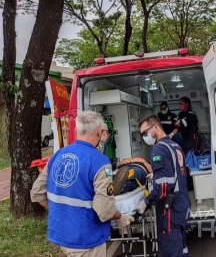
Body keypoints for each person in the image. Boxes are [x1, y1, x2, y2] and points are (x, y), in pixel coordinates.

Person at [30, 110, 134, 256]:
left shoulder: (57, 156)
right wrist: (119, 217)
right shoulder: (100, 162)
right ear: (99, 131)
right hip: (86, 240)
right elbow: (105, 211)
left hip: (61, 234)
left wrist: (63, 213)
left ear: (75, 130)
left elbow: (37, 194)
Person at [135, 115, 191, 257]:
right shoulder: (174, 146)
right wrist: (157, 176)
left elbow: (163, 187)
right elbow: (181, 172)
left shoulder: (158, 149)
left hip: (170, 208)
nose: (144, 137)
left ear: (156, 127)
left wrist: (146, 202)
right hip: (183, 203)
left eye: (145, 133)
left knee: (170, 249)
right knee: (181, 246)